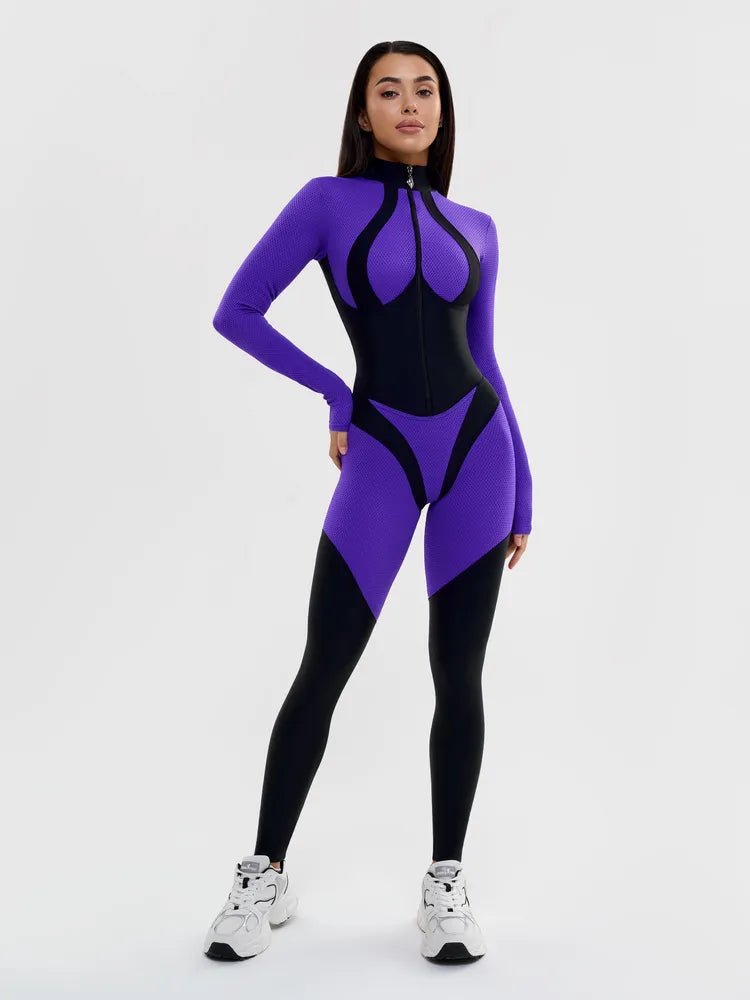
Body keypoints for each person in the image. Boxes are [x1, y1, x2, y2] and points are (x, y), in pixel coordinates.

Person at [203, 39, 533, 964]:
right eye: (389, 91)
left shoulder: (478, 225)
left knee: (459, 676)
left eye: (425, 90)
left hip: (480, 455)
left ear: (442, 109)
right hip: (382, 454)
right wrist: (334, 393)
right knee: (324, 668)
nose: (410, 104)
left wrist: (526, 486)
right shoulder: (326, 202)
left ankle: (445, 883)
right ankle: (263, 874)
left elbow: (488, 359)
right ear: (362, 112)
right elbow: (237, 312)